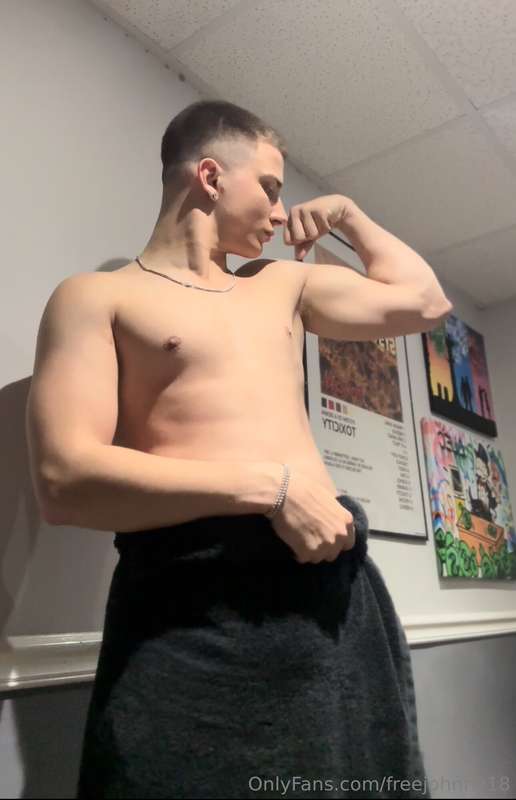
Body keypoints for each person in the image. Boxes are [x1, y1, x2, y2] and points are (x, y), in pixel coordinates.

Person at [26, 99, 453, 798]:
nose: (282, 214)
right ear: (210, 176)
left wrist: (348, 215)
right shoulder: (96, 297)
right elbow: (63, 478)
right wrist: (271, 489)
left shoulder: (283, 286)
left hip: (327, 597)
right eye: (271, 188)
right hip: (190, 609)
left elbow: (426, 302)